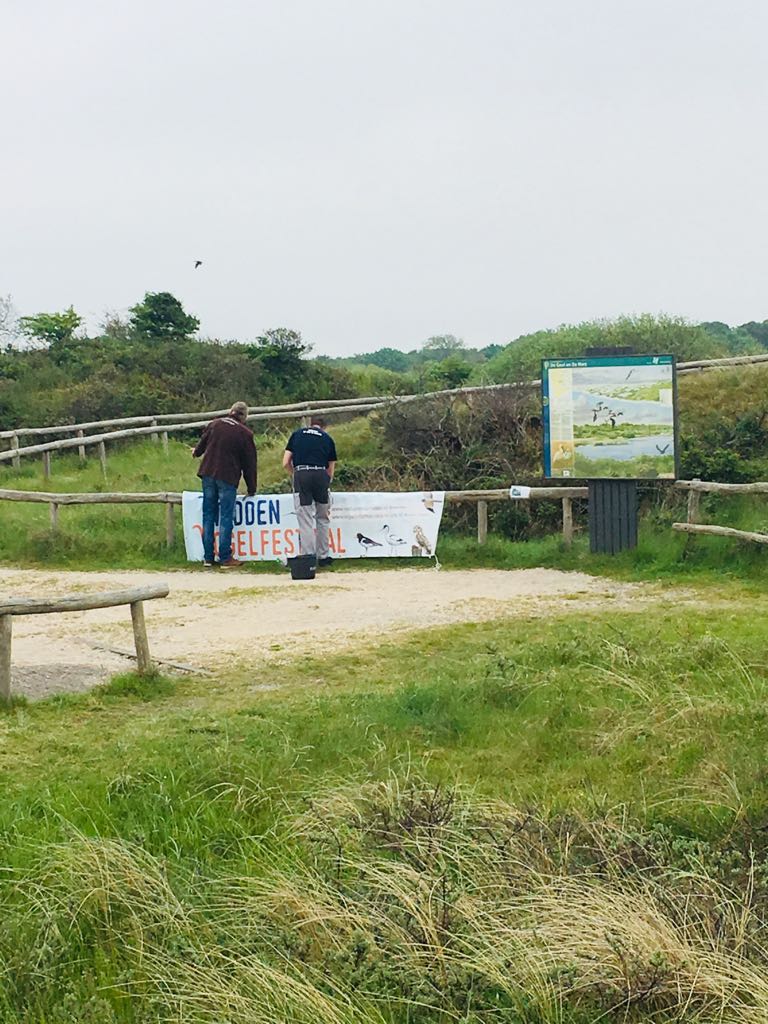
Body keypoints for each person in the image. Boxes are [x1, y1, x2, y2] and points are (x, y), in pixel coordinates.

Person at [192, 401, 257, 568]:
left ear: (231, 411)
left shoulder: (215, 424)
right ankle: (225, 557)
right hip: (227, 476)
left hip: (207, 473)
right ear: (244, 417)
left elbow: (202, 445)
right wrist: (251, 488)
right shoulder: (245, 433)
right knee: (226, 517)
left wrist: (196, 452)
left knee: (208, 515)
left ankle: (208, 557)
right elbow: (250, 464)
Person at [283, 415, 337, 567]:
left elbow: (285, 462)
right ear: (323, 427)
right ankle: (324, 556)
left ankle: (308, 556)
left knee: (305, 519)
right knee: (322, 518)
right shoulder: (327, 438)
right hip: (321, 475)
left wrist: (295, 474)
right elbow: (330, 469)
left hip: (302, 474)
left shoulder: (297, 435)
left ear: (310, 424)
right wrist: (326, 482)